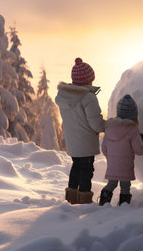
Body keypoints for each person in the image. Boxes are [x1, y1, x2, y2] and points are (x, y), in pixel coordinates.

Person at [55, 58, 105, 204]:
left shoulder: (64, 96)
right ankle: (83, 201)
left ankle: (71, 199)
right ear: (87, 80)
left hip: (73, 141)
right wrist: (109, 126)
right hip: (86, 141)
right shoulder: (88, 97)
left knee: (76, 167)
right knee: (86, 170)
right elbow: (96, 123)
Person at [99, 95, 143, 206]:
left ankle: (103, 203)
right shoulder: (132, 129)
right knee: (125, 186)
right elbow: (139, 150)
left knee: (111, 184)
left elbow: (104, 149)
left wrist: (111, 158)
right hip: (125, 165)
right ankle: (123, 208)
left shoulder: (109, 127)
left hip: (112, 165)